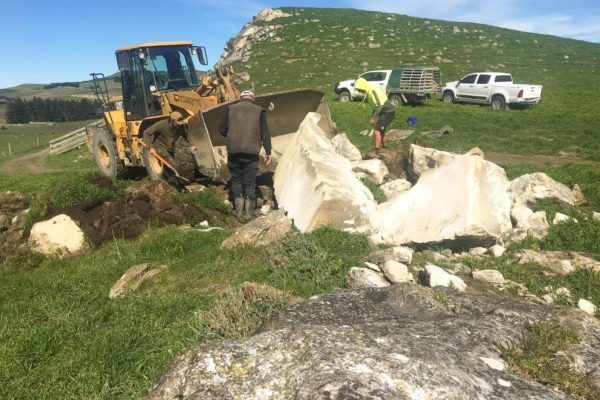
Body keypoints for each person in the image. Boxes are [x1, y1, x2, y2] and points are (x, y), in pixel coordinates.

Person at [219, 90, 272, 218]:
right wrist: (268, 152)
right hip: (251, 152)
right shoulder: (259, 110)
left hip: (234, 151)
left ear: (240, 98)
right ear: (252, 98)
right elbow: (265, 134)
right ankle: (248, 214)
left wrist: (232, 137)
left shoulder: (230, 108)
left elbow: (221, 129)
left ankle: (238, 212)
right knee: (250, 182)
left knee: (236, 181)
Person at [145, 111, 196, 191]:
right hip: (159, 148)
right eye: (177, 123)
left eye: (180, 123)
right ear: (172, 120)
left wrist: (192, 144)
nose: (179, 125)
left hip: (170, 148)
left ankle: (172, 185)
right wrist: (150, 147)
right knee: (174, 166)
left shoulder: (181, 126)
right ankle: (180, 187)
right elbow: (146, 133)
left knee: (170, 168)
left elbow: (187, 135)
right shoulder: (161, 125)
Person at [354, 77, 397, 153]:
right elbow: (375, 107)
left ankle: (377, 151)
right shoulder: (369, 91)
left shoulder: (372, 91)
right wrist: (372, 117)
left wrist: (373, 118)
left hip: (388, 113)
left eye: (359, 89)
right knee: (381, 131)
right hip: (385, 113)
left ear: (362, 86)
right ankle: (386, 148)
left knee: (376, 131)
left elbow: (380, 105)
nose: (359, 91)